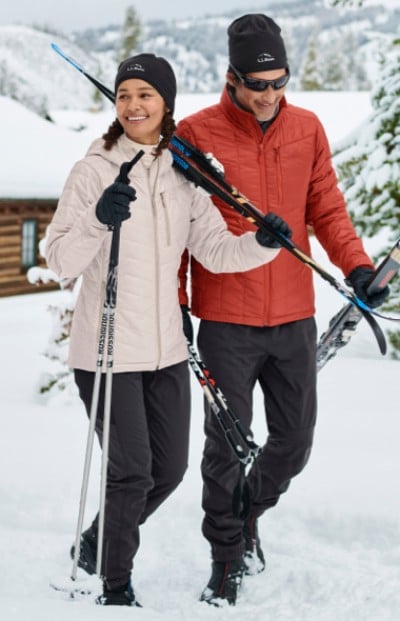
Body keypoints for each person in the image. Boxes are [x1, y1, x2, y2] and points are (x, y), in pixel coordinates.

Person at [45, 52, 291, 607]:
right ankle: (115, 585)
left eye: (145, 95)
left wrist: (262, 242)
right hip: (107, 349)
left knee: (170, 471)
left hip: (166, 350)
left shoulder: (184, 173)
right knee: (131, 473)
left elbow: (213, 250)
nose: (133, 105)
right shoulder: (94, 169)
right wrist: (98, 218)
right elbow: (59, 257)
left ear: (166, 104)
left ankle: (96, 543)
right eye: (125, 95)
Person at [175, 14, 390, 607]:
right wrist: (177, 303)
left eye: (279, 81)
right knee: (226, 446)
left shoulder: (307, 129)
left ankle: (248, 514)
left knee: (293, 442)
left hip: (294, 313)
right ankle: (225, 558)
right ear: (231, 77)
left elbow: (327, 209)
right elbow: (174, 231)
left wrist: (358, 268)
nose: (269, 95)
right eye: (257, 83)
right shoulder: (195, 134)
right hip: (226, 319)